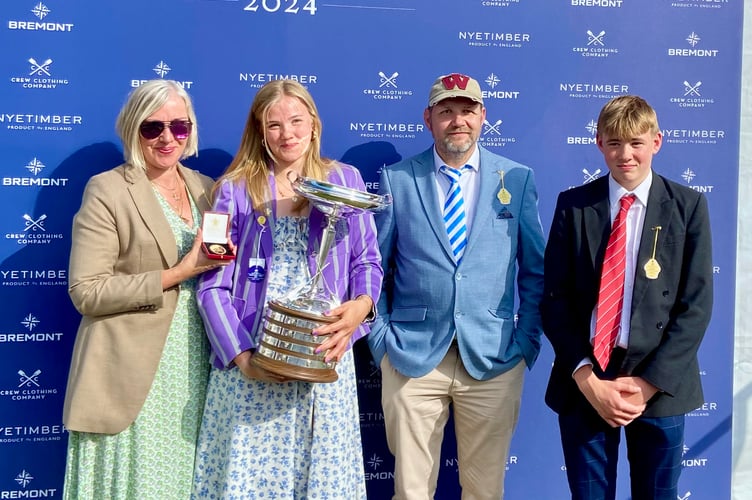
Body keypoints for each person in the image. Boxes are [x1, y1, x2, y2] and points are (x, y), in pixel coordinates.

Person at [192, 79, 382, 499]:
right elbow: (211, 283)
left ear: (314, 124)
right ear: (260, 130)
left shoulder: (344, 179)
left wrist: (359, 311)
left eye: (297, 121)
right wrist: (242, 358)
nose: (287, 134)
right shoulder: (231, 190)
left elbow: (367, 261)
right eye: (274, 124)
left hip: (324, 351)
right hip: (253, 361)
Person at [368, 72, 546, 500]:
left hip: (494, 358)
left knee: (485, 491)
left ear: (484, 116)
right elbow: (375, 267)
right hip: (413, 356)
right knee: (411, 492)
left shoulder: (517, 179)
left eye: (467, 111)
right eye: (446, 112)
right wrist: (382, 341)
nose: (457, 121)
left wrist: (526, 342)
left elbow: (536, 271)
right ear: (428, 119)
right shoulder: (398, 179)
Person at [62, 79, 229, 499]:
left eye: (179, 126)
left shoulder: (207, 188)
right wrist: (178, 272)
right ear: (133, 129)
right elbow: (87, 291)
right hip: (132, 375)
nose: (167, 138)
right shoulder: (108, 189)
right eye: (153, 128)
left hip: (197, 371)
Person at [540, 95, 713, 499]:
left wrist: (649, 383)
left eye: (636, 142)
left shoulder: (688, 207)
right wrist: (585, 376)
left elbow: (697, 304)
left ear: (657, 142)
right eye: (614, 143)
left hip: (660, 384)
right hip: (588, 380)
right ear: (599, 144)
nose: (625, 154)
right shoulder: (574, 205)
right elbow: (554, 300)